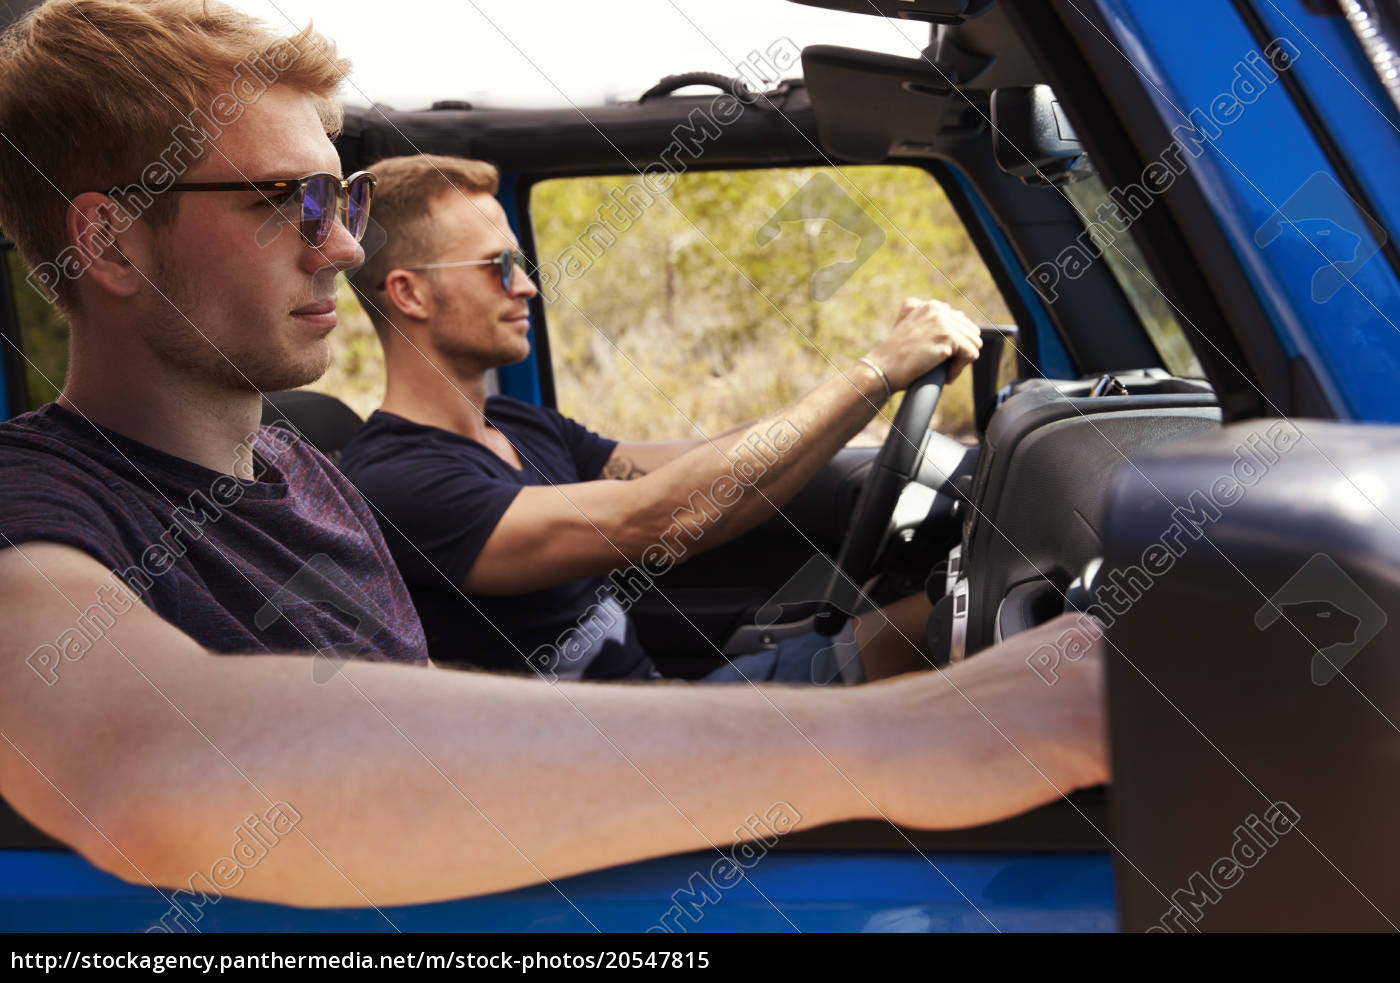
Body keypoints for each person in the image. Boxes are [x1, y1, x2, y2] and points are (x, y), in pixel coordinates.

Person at [0, 0, 1107, 910]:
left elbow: (652, 482)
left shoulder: (303, 468)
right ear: (106, 238)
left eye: (333, 196)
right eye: (285, 199)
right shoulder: (32, 503)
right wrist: (907, 737)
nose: (336, 241)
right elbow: (151, 765)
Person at [341, 153, 982, 686]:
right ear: (410, 292)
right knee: (966, 645)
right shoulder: (399, 483)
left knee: (948, 618)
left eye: (523, 265)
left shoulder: (516, 423)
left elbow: (702, 463)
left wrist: (864, 392)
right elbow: (662, 514)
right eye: (498, 266)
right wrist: (875, 372)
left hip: (662, 708)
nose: (527, 287)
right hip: (609, 773)